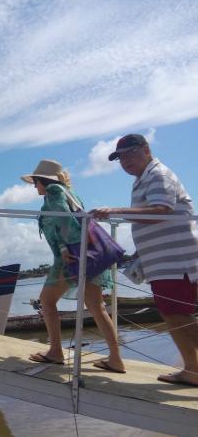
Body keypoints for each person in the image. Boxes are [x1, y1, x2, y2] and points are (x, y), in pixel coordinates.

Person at [92, 134, 198, 386]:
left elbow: (161, 210)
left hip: (176, 260)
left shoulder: (157, 174)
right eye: (120, 158)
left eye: (130, 153)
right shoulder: (142, 179)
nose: (125, 161)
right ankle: (193, 370)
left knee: (178, 315)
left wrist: (115, 210)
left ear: (146, 150)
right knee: (171, 315)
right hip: (161, 262)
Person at [22, 160, 125, 372]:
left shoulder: (53, 192)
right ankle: (116, 358)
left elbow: (66, 222)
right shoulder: (70, 192)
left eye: (35, 182)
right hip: (88, 254)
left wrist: (64, 247)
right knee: (97, 308)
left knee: (46, 301)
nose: (34, 186)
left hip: (71, 258)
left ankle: (56, 352)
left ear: (44, 181)